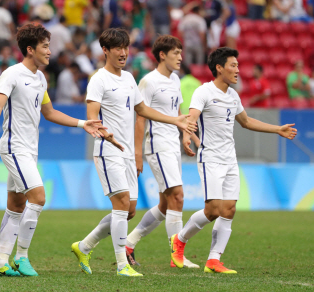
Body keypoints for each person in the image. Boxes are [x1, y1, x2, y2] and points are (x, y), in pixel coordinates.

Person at [0, 23, 105, 277]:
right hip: (14, 147)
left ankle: (1, 263)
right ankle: (22, 257)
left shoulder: (40, 78)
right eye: (45, 46)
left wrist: (82, 123)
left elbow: (49, 112)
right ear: (30, 49)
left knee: (16, 205)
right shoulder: (12, 74)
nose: (50, 51)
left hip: (29, 149)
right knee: (38, 197)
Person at [70, 28, 196, 277]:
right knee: (120, 206)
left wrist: (176, 121)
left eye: (125, 47)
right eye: (117, 48)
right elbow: (92, 116)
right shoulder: (99, 79)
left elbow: (143, 110)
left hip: (127, 153)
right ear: (105, 50)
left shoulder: (128, 78)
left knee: (129, 210)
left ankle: (84, 246)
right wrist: (102, 131)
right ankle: (121, 265)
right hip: (108, 150)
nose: (123, 52)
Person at [172, 47, 297, 274]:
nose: (238, 70)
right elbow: (191, 118)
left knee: (229, 209)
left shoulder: (233, 95)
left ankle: (213, 260)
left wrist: (277, 129)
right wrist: (186, 135)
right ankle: (179, 240)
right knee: (212, 210)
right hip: (210, 157)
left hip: (230, 158)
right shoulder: (204, 92)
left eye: (238, 65)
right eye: (233, 65)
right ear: (219, 68)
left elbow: (246, 122)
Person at [125, 35, 199, 269]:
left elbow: (178, 112)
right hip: (157, 146)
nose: (180, 57)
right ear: (162, 55)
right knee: (177, 196)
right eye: (175, 53)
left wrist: (186, 135)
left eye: (181, 52)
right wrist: (138, 153)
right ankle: (177, 256)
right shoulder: (148, 82)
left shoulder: (176, 79)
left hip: (172, 145)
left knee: (166, 204)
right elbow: (140, 117)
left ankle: (129, 242)